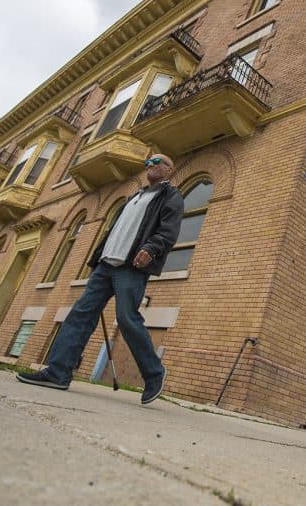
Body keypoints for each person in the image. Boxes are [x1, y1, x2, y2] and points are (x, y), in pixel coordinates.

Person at [17, 154, 184, 404]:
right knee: (80, 315)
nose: (150, 165)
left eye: (157, 162)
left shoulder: (170, 197)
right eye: (148, 162)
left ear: (170, 170)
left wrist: (150, 249)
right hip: (105, 266)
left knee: (127, 319)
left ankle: (154, 373)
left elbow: (168, 231)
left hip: (131, 268)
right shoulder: (134, 198)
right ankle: (58, 373)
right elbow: (115, 231)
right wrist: (98, 259)